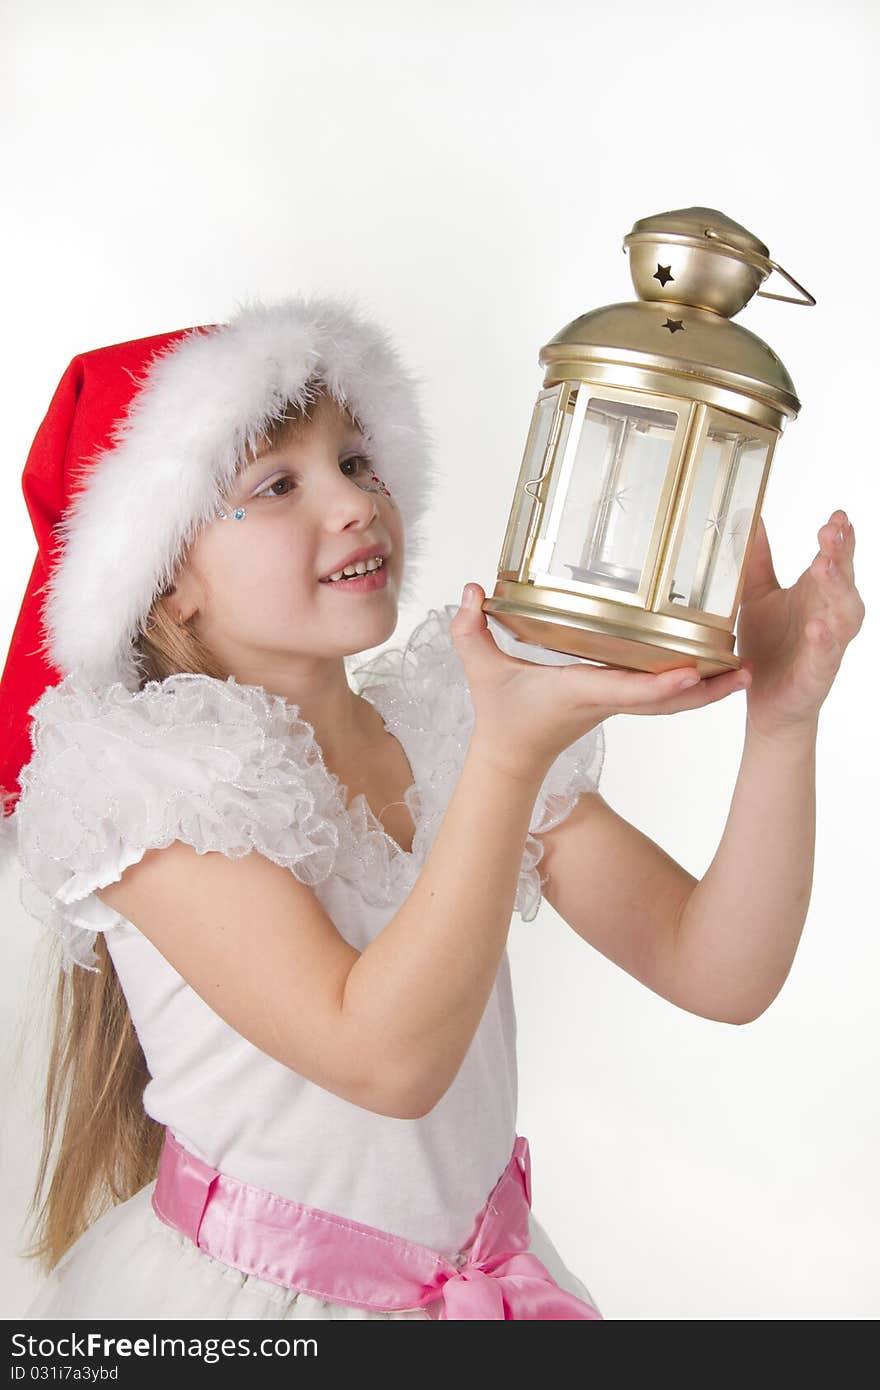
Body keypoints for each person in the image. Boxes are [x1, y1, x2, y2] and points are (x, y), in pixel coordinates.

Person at [0, 295, 863, 1321]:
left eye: (356, 462)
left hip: (485, 1279)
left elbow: (717, 968)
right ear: (163, 581)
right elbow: (385, 1058)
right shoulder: (154, 796)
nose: (357, 501)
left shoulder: (441, 729)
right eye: (276, 483)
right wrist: (507, 750)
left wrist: (781, 722)